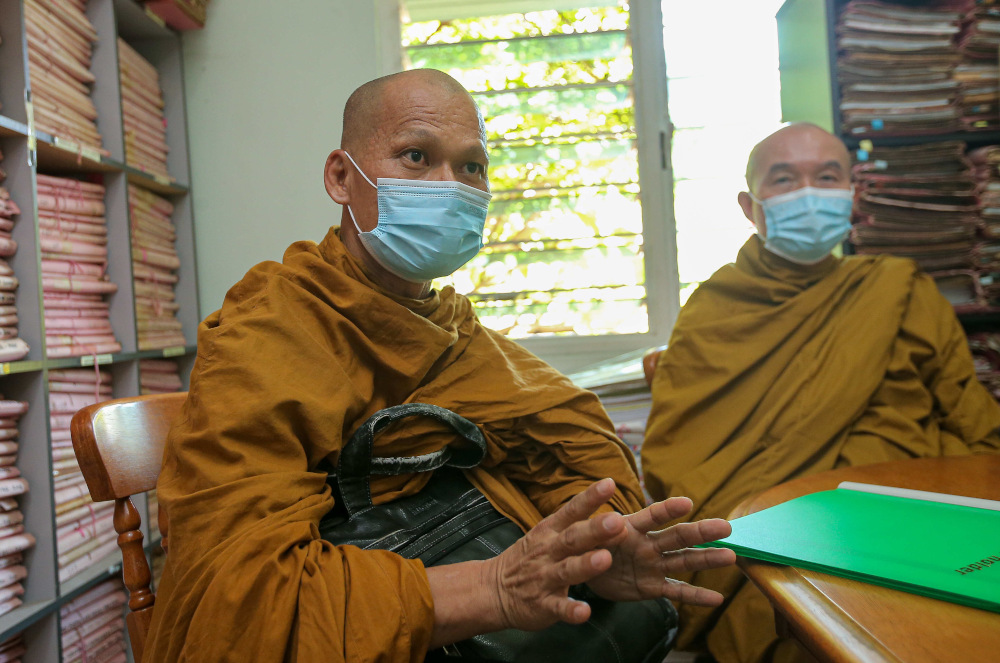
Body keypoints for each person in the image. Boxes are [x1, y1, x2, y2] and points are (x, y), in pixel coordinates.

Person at [143, 68, 737, 662]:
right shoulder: (270, 329)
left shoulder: (455, 330)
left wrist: (598, 547)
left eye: (471, 167)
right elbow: (239, 595)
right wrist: (492, 588)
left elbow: (564, 445)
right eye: (416, 156)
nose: (449, 187)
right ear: (342, 177)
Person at [641, 122, 1000, 663]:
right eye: (784, 179)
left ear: (851, 196)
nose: (809, 193)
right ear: (749, 204)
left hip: (911, 520)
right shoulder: (714, 311)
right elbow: (681, 458)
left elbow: (973, 424)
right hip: (776, 541)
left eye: (826, 176)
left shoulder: (897, 289)